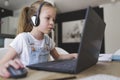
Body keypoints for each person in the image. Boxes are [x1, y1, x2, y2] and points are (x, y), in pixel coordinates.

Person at [0, 0, 78, 78]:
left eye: (53, 20)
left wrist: (73, 55)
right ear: (34, 19)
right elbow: (2, 63)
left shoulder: (48, 41)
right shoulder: (22, 38)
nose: (52, 23)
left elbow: (58, 57)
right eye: (48, 18)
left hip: (46, 76)